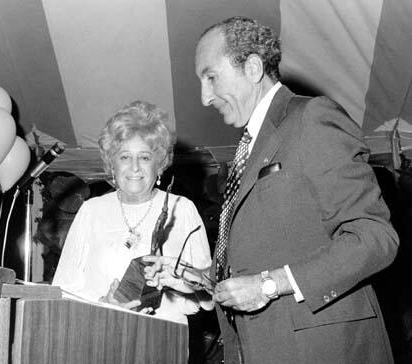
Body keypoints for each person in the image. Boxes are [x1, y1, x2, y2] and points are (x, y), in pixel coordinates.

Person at [145, 16, 399, 363]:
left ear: (251, 67)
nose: (204, 98)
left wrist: (270, 285)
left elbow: (374, 238)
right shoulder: (250, 144)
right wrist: (192, 278)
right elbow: (262, 256)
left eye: (211, 77)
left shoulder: (312, 118)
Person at [52, 100, 213, 325]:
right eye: (125, 157)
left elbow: (209, 295)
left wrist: (182, 280)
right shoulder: (91, 211)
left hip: (166, 338)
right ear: (112, 165)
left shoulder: (181, 208)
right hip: (100, 331)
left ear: (159, 165)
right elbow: (62, 289)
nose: (135, 167)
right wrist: (102, 304)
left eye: (145, 157)